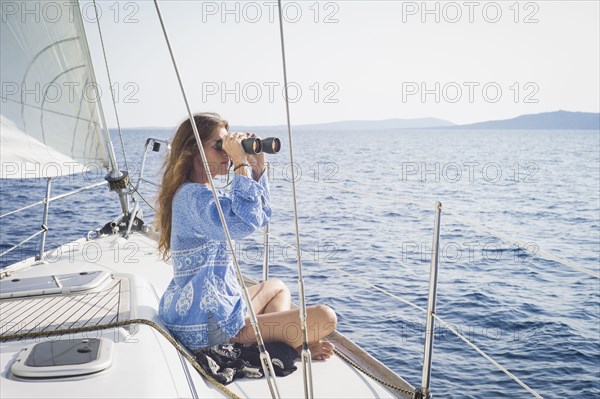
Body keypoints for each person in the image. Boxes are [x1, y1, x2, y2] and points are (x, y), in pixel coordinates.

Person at [156, 113, 337, 361]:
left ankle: (265, 336)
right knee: (325, 317)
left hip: (212, 308)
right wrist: (241, 166)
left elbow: (259, 217)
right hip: (206, 326)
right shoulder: (192, 198)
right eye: (220, 147)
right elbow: (242, 224)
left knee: (278, 288)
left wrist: (257, 169)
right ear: (194, 151)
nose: (227, 155)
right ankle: (267, 344)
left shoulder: (198, 192)